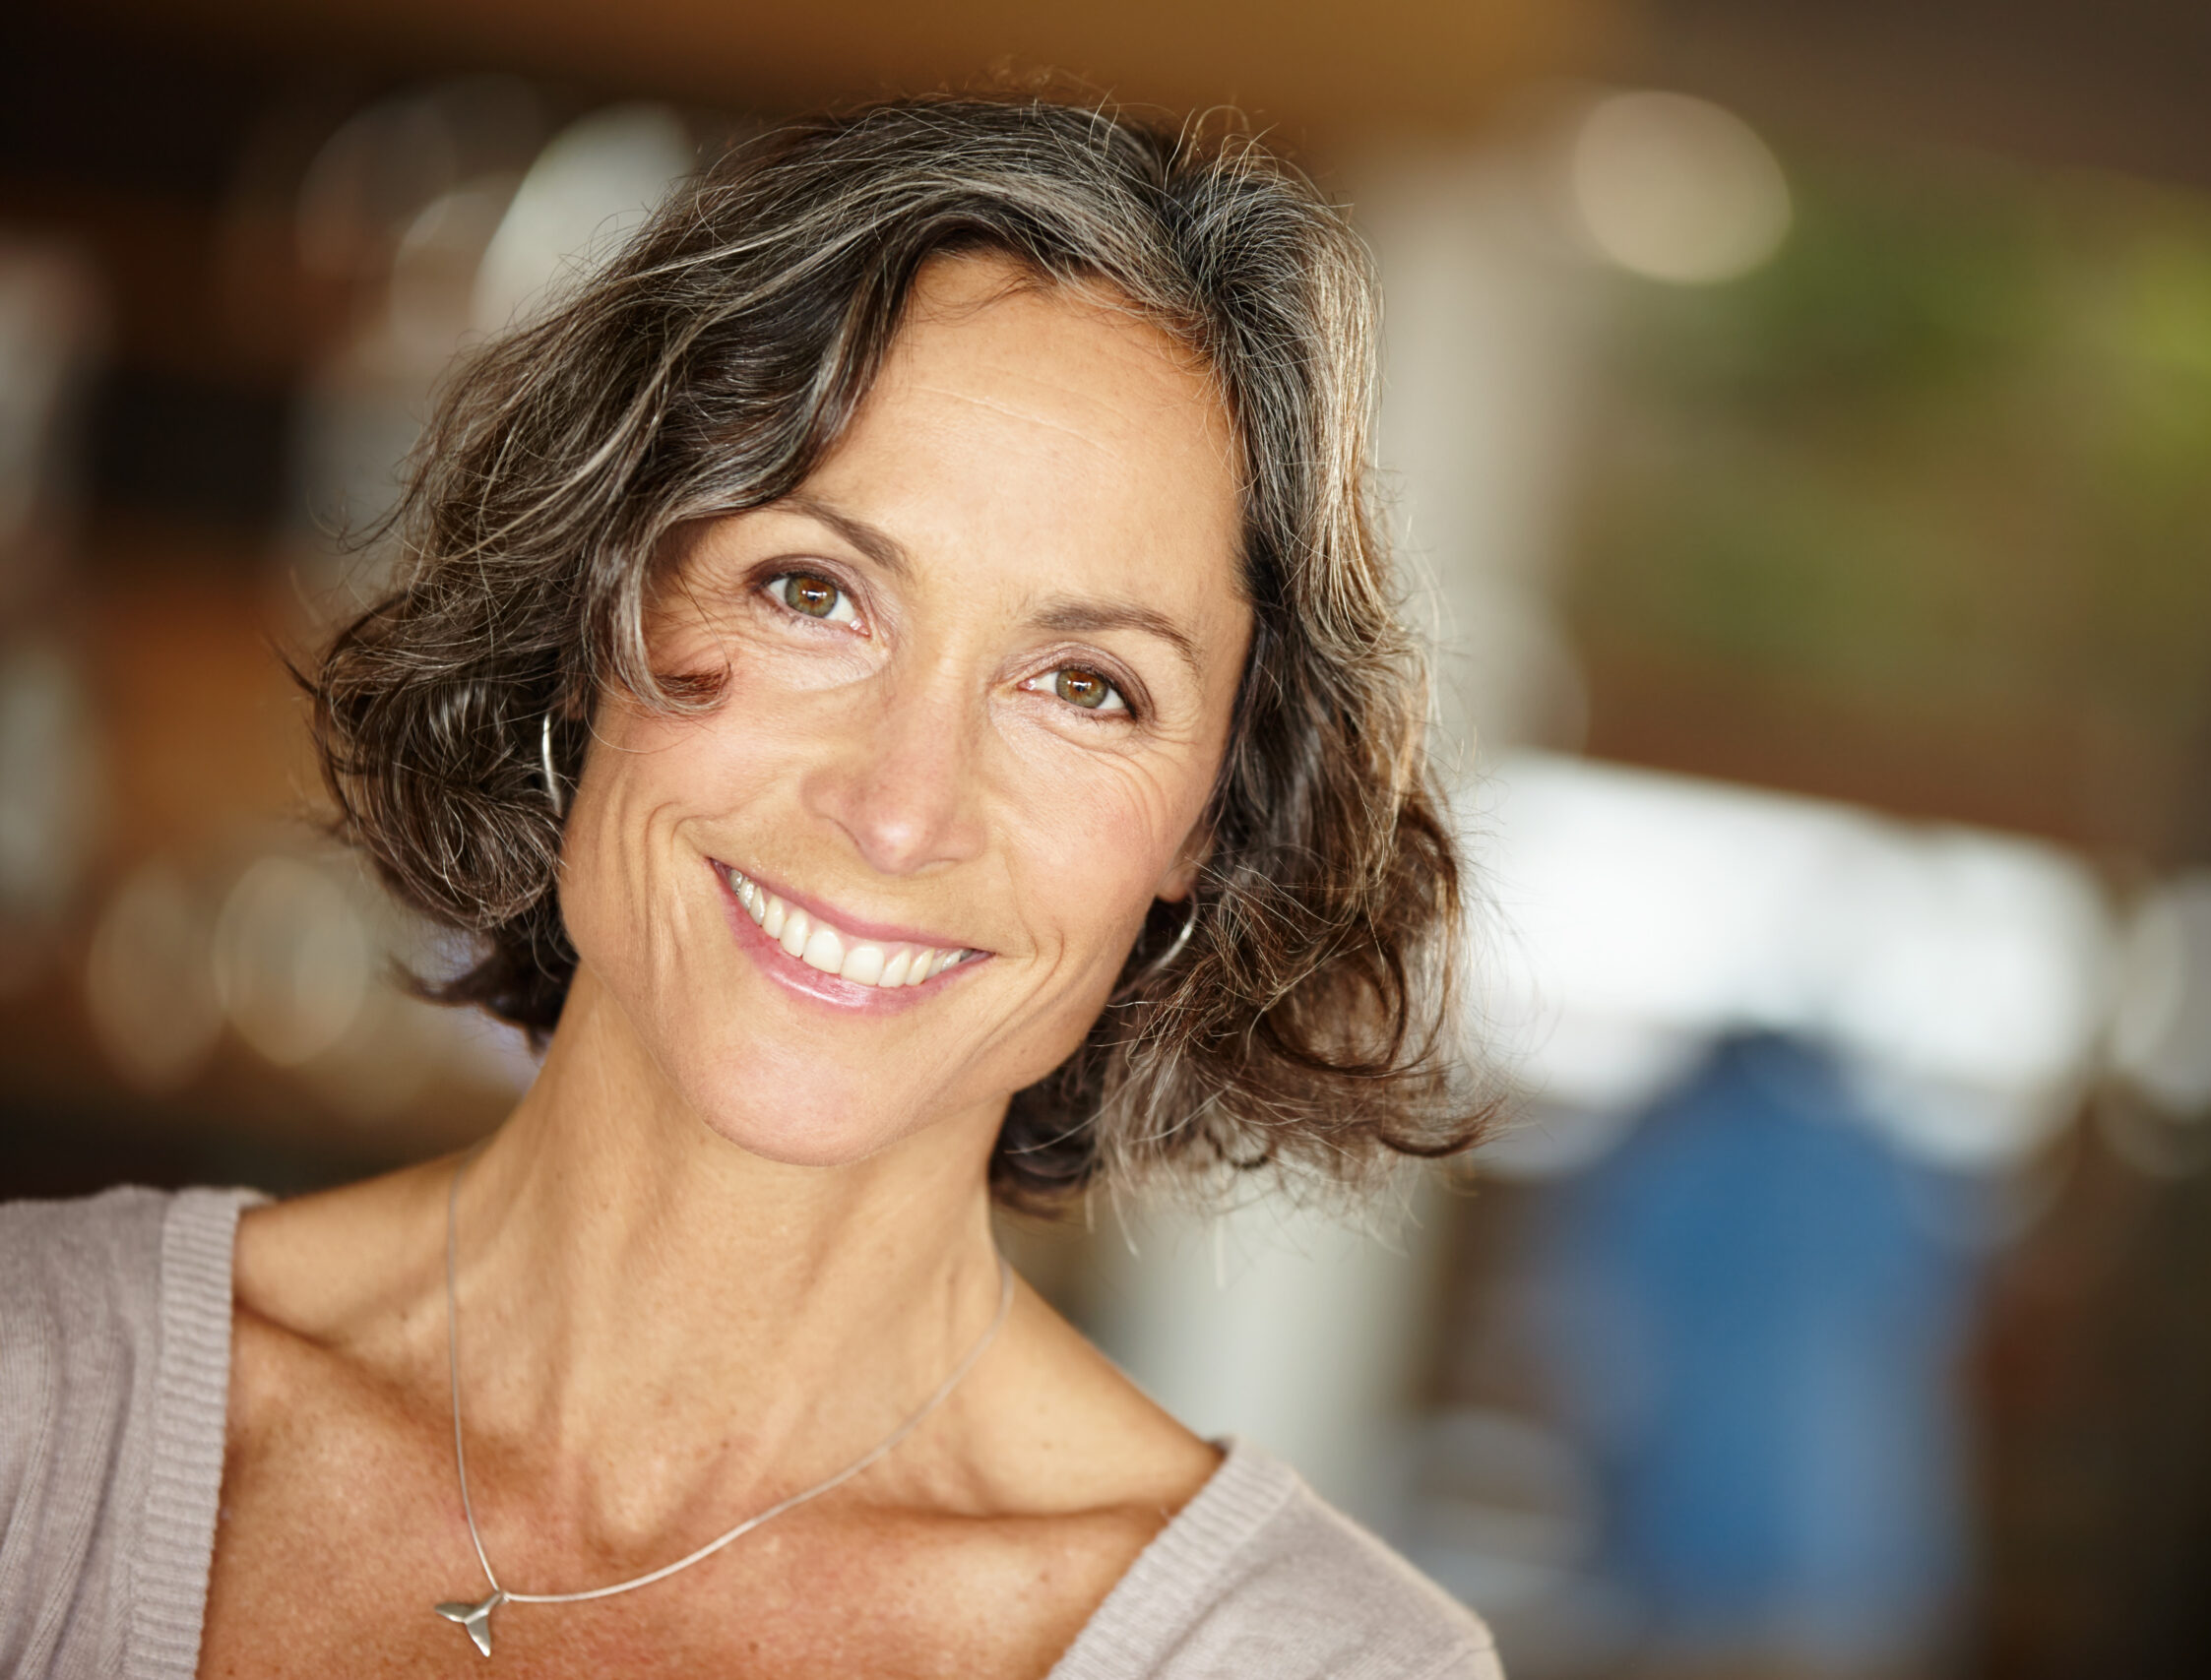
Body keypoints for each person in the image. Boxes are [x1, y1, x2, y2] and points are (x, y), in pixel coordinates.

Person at [0, 95, 1497, 1678]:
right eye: (814, 592)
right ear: (599, 605)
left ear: (1211, 817)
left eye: (1085, 686)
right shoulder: (35, 1402)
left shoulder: (1313, 1665)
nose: (900, 810)